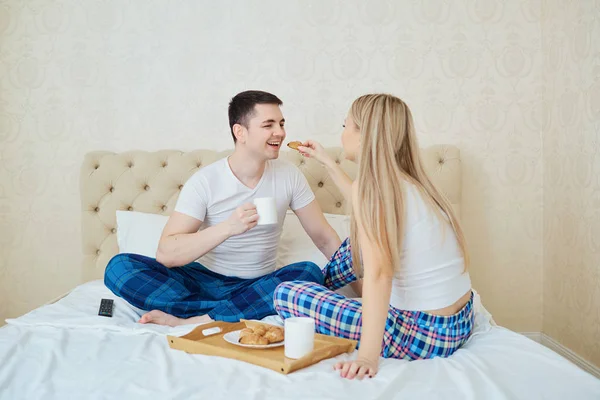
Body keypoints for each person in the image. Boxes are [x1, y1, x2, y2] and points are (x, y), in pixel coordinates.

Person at [273, 94, 473, 380]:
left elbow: (379, 274)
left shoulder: (378, 192)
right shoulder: (410, 185)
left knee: (285, 293)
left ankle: (317, 281)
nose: (342, 134)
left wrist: (368, 355)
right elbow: (361, 201)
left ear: (364, 134)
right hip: (458, 323)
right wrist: (326, 162)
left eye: (346, 126)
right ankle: (322, 281)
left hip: (424, 332)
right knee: (353, 248)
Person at [104, 90, 342, 326]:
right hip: (203, 283)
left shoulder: (289, 175)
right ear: (240, 132)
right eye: (268, 125)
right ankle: (233, 310)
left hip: (259, 284)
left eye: (281, 123)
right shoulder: (206, 181)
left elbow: (324, 239)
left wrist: (367, 294)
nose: (280, 132)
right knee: (119, 268)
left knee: (309, 273)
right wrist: (228, 228)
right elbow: (166, 254)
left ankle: (196, 319)